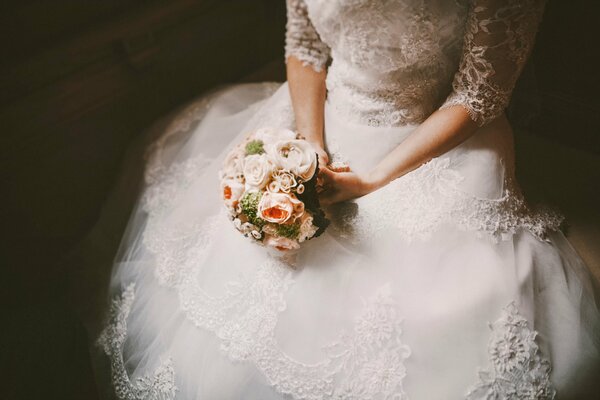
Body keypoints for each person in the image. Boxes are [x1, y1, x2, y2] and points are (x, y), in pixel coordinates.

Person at [96, 0, 600, 398]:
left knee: (436, 309)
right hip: (325, 117)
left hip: (438, 137)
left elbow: (481, 93)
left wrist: (372, 180)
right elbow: (306, 46)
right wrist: (311, 149)